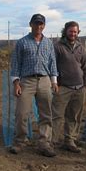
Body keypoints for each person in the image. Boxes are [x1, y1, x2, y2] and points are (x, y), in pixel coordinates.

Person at [9, 13, 59, 157]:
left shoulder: (49, 43)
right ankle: (20, 141)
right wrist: (16, 83)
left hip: (44, 80)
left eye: (41, 24)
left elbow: (52, 63)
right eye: (36, 23)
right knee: (21, 113)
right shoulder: (22, 43)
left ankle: (44, 143)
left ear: (44, 26)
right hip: (26, 81)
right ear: (31, 24)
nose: (39, 26)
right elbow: (16, 64)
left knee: (46, 114)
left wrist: (54, 81)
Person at [52, 21, 86, 153]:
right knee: (56, 116)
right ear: (65, 31)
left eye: (75, 31)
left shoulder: (80, 47)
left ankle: (70, 140)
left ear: (78, 32)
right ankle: (52, 142)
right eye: (70, 31)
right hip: (62, 87)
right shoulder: (57, 46)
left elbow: (85, 67)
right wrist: (55, 83)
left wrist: (85, 85)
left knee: (74, 116)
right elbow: (53, 66)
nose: (72, 33)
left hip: (79, 88)